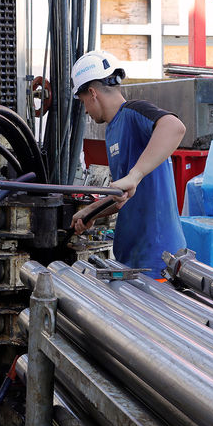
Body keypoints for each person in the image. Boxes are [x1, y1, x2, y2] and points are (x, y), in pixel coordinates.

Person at [70, 50, 186, 278]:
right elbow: (123, 194)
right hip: (133, 255)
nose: (85, 110)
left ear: (93, 93)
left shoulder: (134, 113)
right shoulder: (114, 129)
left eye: (83, 102)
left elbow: (175, 127)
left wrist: (135, 174)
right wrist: (92, 211)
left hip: (157, 255)